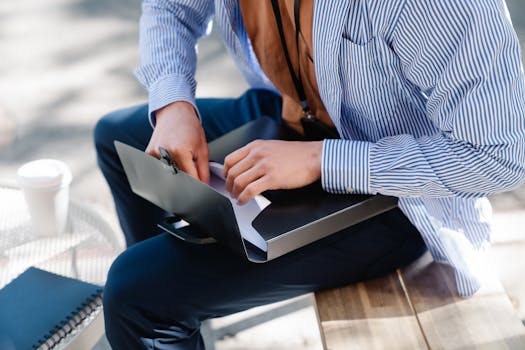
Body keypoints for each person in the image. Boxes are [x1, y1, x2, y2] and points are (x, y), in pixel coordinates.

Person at [94, 0, 525, 348]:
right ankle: (189, 309)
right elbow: (171, 7)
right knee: (119, 140)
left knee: (136, 296)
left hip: (396, 192)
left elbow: (502, 153)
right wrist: (173, 105)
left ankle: (170, 308)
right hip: (292, 117)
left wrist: (321, 160)